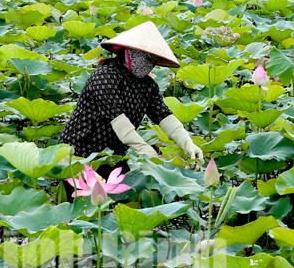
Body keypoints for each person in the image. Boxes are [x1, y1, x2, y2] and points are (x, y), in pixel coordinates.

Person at [59, 20, 204, 162]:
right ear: (128, 51)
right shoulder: (104, 76)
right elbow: (117, 118)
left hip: (113, 156)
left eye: (153, 59)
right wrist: (143, 148)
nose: (148, 63)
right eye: (145, 56)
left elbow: (163, 115)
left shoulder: (148, 85)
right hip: (77, 153)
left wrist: (188, 143)